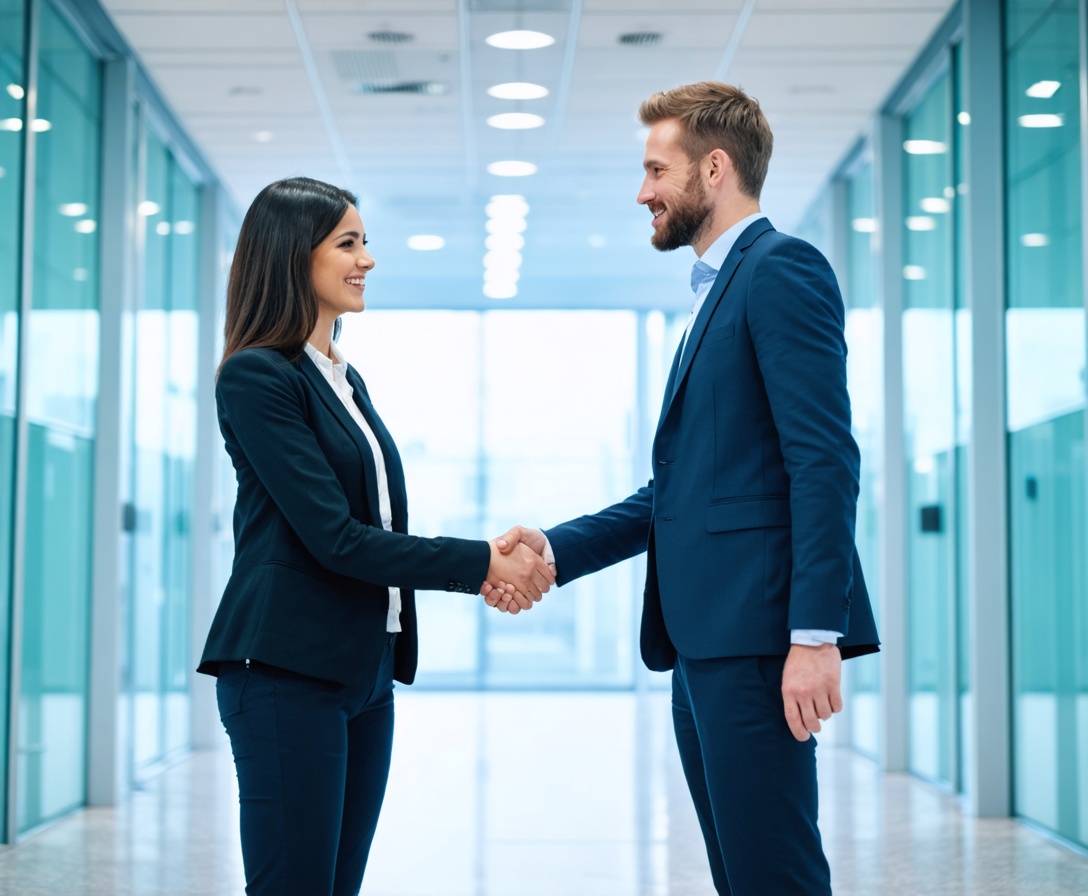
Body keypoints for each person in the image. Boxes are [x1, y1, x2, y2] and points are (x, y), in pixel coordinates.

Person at [486, 82, 879, 895]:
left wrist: (815, 636)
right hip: (707, 641)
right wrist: (557, 546)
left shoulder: (780, 270)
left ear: (713, 168)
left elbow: (825, 460)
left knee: (774, 872)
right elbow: (684, 490)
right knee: (742, 872)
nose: (643, 193)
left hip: (759, 639)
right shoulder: (720, 293)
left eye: (655, 172)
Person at [197, 176, 555, 896]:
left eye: (365, 243)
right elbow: (337, 539)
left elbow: (376, 527)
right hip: (284, 669)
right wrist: (485, 560)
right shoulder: (257, 377)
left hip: (363, 669)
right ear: (293, 255)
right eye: (348, 243)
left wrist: (483, 565)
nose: (366, 260)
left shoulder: (342, 378)